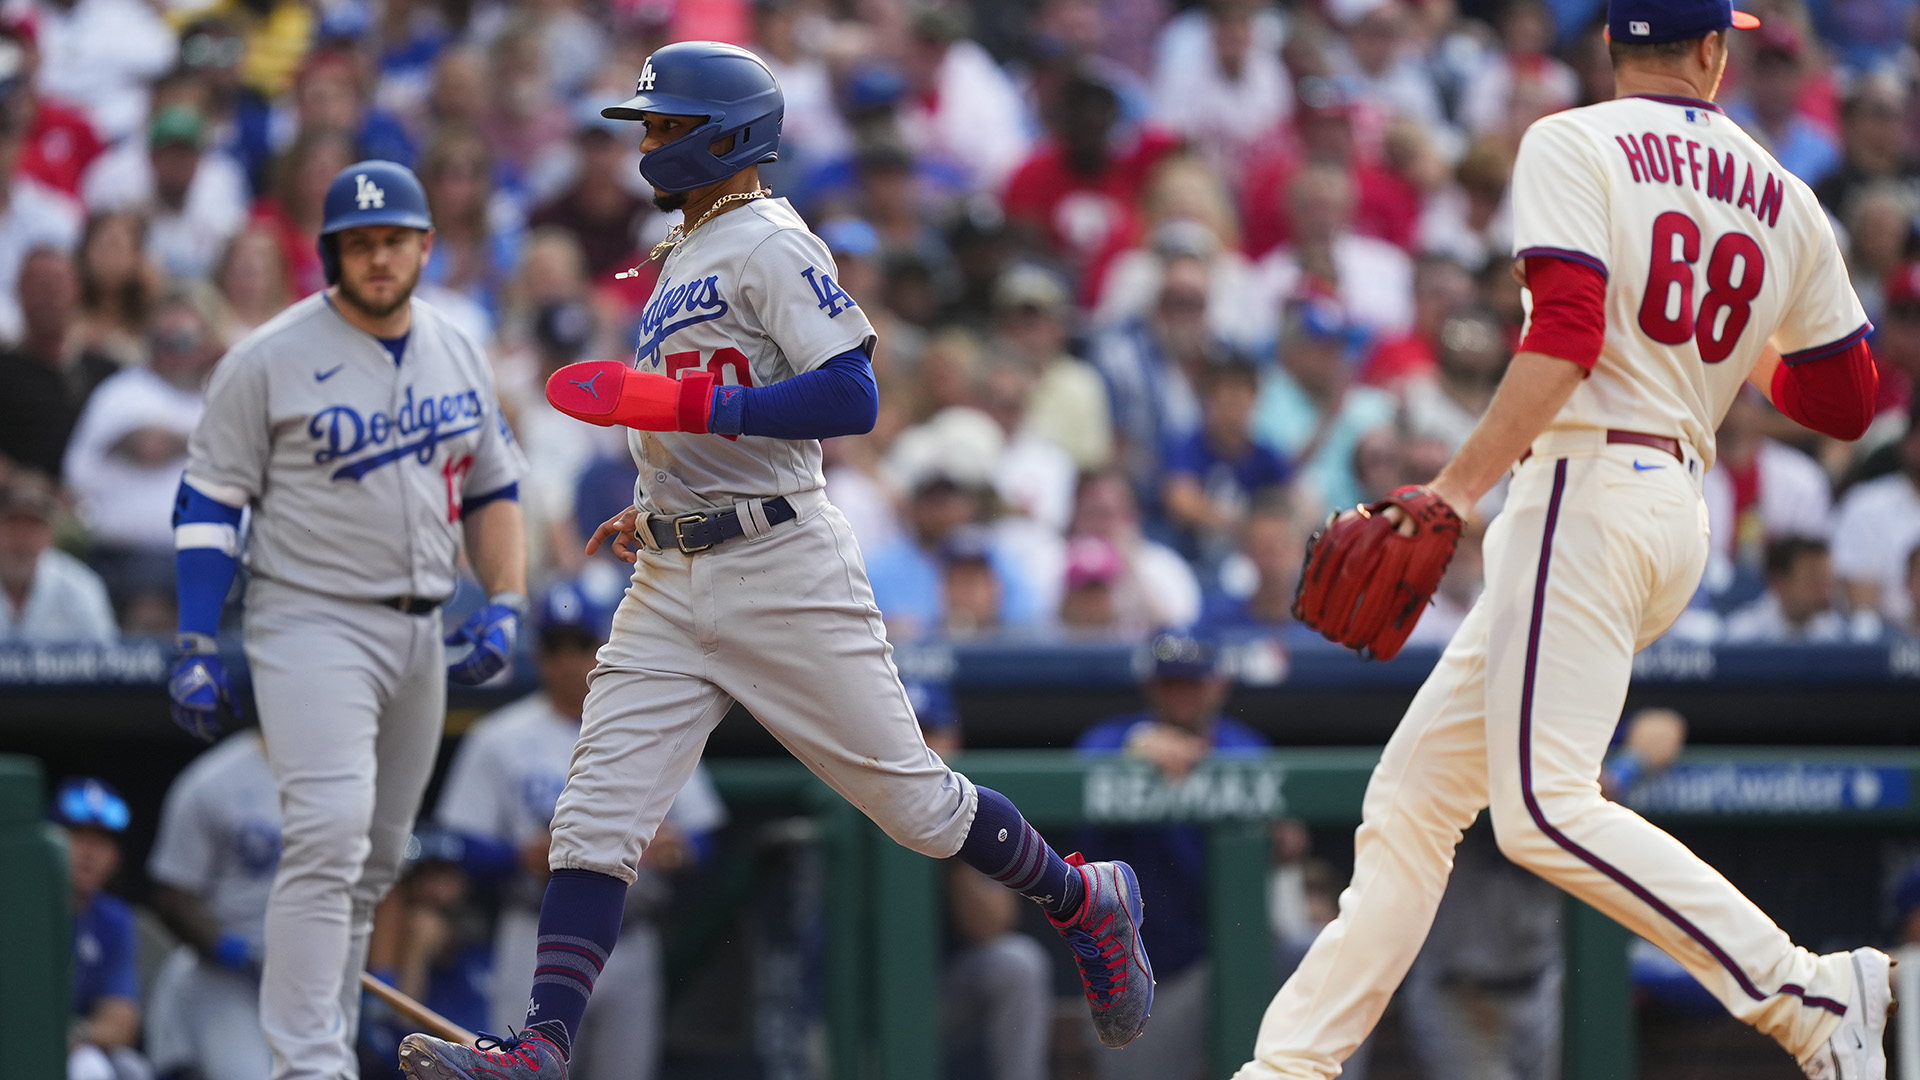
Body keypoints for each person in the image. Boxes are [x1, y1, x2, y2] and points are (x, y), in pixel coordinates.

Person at [397, 42, 1153, 1079]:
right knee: (596, 817)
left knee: (917, 806)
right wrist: (653, 502)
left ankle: (1083, 897)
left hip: (781, 560)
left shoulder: (768, 239)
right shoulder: (684, 246)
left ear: (724, 136)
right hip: (672, 573)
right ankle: (541, 1047)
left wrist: (710, 413)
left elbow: (852, 395)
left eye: (664, 125)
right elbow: (692, 411)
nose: (648, 142)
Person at [1234, 4, 1894, 1079]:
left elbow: (1569, 335)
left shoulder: (1574, 137)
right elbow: (1846, 398)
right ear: (1716, 54)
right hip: (1674, 503)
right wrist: (1722, 349)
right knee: (1413, 800)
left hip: (1589, 490)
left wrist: (1452, 489)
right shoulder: (1786, 192)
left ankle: (1806, 991)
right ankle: (1289, 1068)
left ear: (1609, 48)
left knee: (1542, 808)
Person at [167, 159, 530, 1080]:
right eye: (359, 243)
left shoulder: (455, 345)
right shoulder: (266, 357)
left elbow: (494, 487)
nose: (377, 258)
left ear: (423, 247)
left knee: (374, 861)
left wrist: (510, 601)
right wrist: (196, 638)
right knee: (328, 833)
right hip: (310, 616)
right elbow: (209, 504)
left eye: (393, 241)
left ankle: (323, 1042)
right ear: (329, 252)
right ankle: (309, 1065)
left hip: (422, 625)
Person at [435, 582, 726, 1078]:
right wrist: (517, 857)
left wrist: (679, 850)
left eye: (581, 644)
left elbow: (706, 835)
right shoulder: (499, 736)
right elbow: (457, 845)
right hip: (532, 932)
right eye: (554, 647)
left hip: (631, 936)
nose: (569, 661)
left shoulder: (651, 723)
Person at [1076, 631, 1268, 1080]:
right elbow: (1084, 764)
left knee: (1310, 949)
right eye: (1170, 684)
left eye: (1192, 683)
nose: (1181, 696)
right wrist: (1137, 746)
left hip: (1227, 960)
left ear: (1218, 684)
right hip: (1140, 976)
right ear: (1151, 687)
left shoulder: (1244, 748)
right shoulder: (1112, 739)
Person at [143, 731, 280, 1080]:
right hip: (229, 976)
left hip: (314, 980)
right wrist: (225, 945)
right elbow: (172, 894)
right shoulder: (214, 780)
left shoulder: (348, 774)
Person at [54, 777, 155, 1080]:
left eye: (102, 840)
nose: (89, 851)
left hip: (73, 1047)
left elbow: (122, 1023)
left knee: (125, 1068)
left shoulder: (114, 919)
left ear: (117, 857)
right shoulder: (16, 903)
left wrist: (77, 1035)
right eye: (77, 835)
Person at [0, 469, 116, 643]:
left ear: (50, 534)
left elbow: (107, 658)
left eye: (34, 529)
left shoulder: (80, 586)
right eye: (14, 527)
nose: (23, 541)